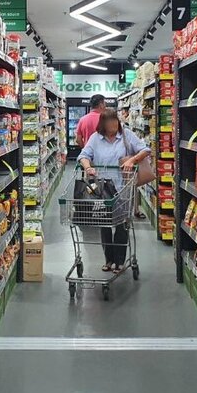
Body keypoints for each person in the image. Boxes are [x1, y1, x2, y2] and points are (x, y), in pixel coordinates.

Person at [77, 109, 150, 274]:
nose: (114, 125)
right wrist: (88, 167)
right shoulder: (95, 139)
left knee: (121, 224)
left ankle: (119, 261)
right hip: (102, 189)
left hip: (123, 187)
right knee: (104, 225)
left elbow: (145, 149)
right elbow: (83, 155)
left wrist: (132, 159)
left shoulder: (126, 135)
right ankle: (108, 259)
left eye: (115, 121)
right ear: (102, 124)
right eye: (110, 122)